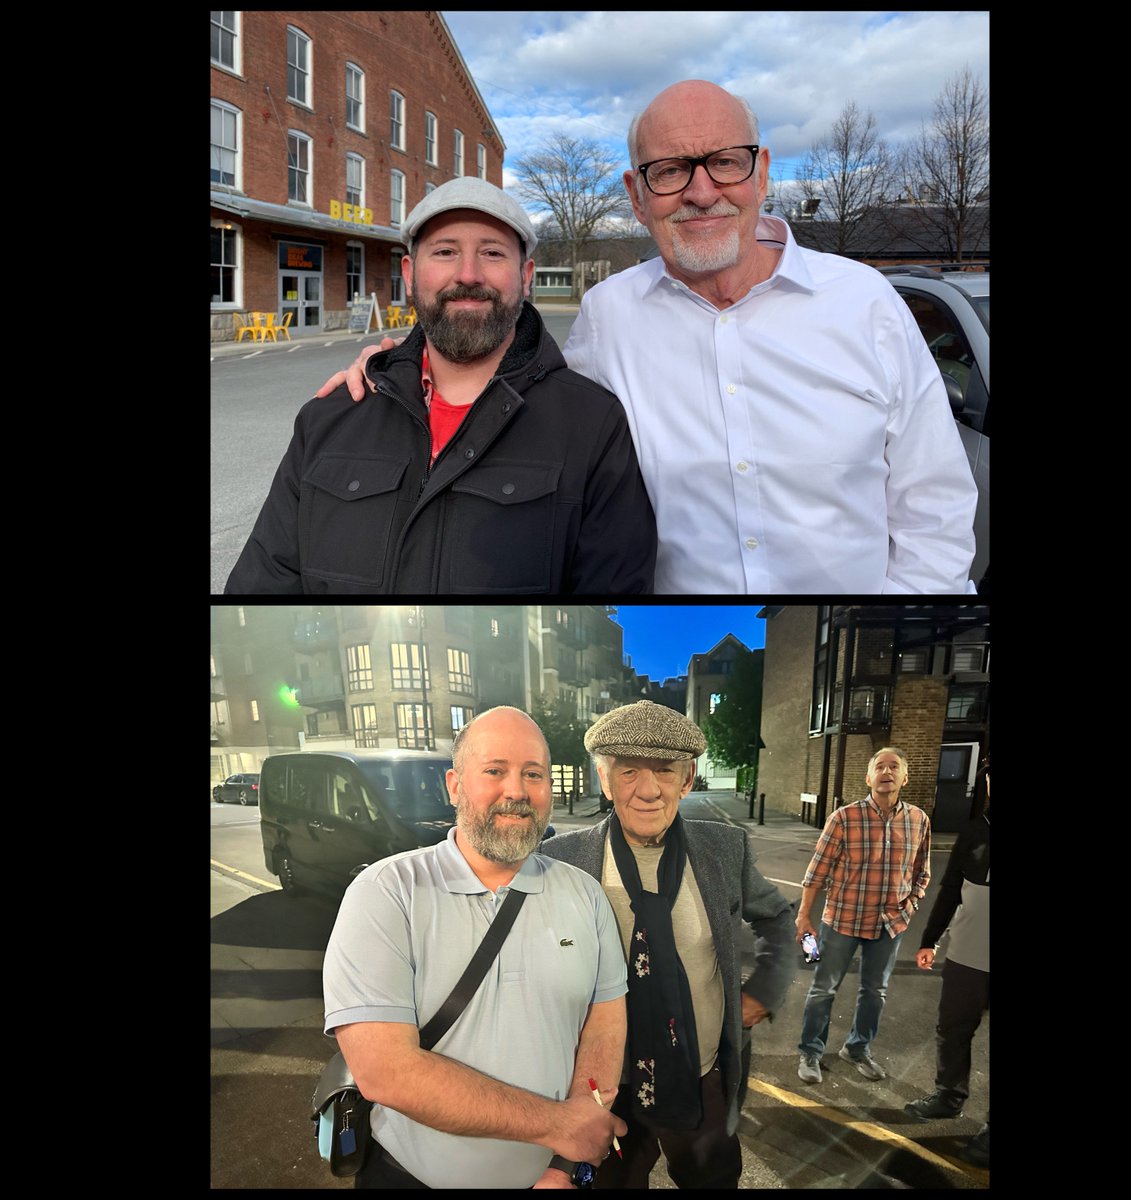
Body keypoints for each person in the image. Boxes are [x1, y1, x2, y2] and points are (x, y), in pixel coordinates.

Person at [318, 80, 978, 594]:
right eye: (669, 171)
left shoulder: (865, 302)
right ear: (638, 195)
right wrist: (397, 367)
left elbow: (934, 508)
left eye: (725, 162)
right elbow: (518, 399)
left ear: (762, 172)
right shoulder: (610, 316)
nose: (700, 192)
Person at [224, 176, 656, 594]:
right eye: (445, 251)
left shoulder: (593, 426)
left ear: (525, 276)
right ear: (410, 273)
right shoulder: (330, 418)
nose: (468, 274)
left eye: (491, 253)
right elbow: (264, 583)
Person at [322, 706, 629, 1189]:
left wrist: (565, 1167)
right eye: (495, 771)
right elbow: (386, 1071)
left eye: (534, 774)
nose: (517, 791)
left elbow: (604, 1025)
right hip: (411, 1179)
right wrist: (560, 1127)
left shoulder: (584, 894)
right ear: (455, 785)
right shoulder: (386, 892)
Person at [538, 700, 794, 1189]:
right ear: (604, 779)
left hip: (700, 1075)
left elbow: (779, 916)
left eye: (665, 771)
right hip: (601, 1085)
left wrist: (763, 990)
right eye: (629, 771)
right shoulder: (561, 859)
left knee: (712, 1181)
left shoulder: (723, 848)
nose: (649, 790)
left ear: (688, 778)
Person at [794, 747, 931, 1085]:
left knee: (875, 992)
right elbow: (816, 873)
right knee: (823, 989)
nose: (887, 772)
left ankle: (857, 1048)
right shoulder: (844, 818)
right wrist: (804, 918)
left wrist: (910, 905)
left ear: (904, 777)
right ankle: (810, 1051)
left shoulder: (918, 821)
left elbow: (921, 873)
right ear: (869, 778)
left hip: (890, 925)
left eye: (894, 766)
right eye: (879, 767)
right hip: (842, 920)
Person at [905, 756, 989, 1169]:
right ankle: (948, 1096)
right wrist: (929, 939)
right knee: (952, 1031)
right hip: (967, 958)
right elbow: (951, 889)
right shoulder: (976, 831)